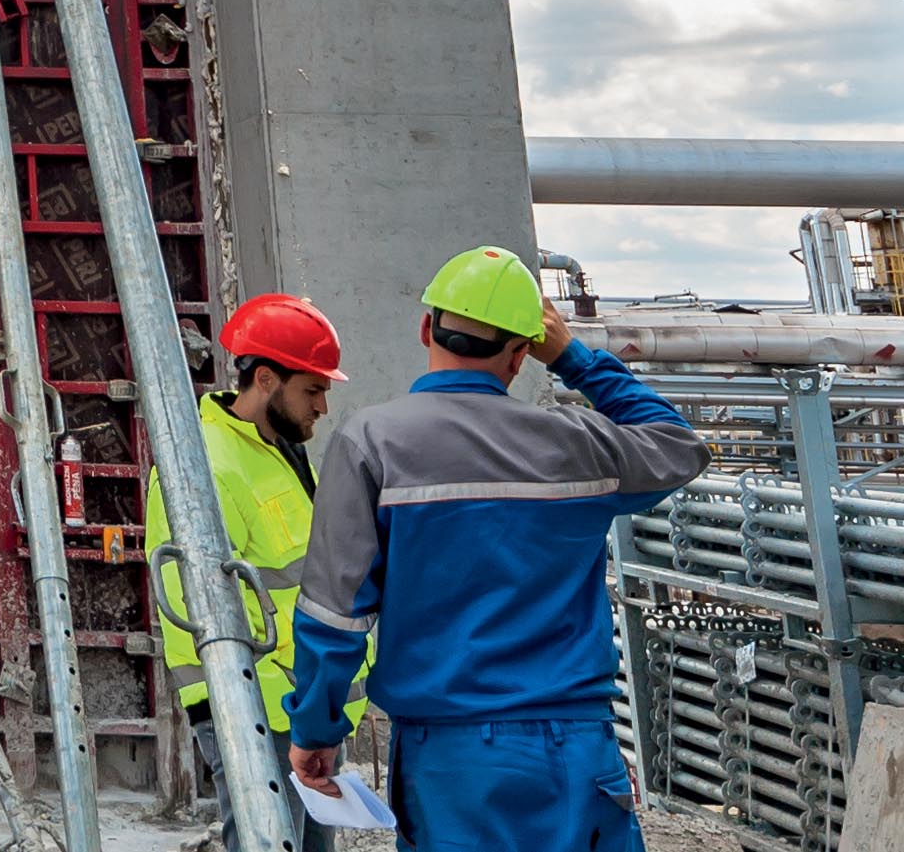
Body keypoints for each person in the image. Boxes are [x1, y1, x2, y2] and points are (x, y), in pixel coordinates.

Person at [283, 246, 700, 852]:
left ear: (426, 327)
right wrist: (575, 359)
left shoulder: (372, 443)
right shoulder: (576, 443)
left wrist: (317, 728)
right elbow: (678, 445)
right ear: (522, 354)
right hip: (577, 750)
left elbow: (333, 615)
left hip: (448, 758)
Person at [148, 290, 366, 782]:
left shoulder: (279, 450)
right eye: (313, 390)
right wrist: (294, 698)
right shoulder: (207, 462)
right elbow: (206, 607)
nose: (324, 406)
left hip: (304, 710)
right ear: (266, 379)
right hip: (259, 711)